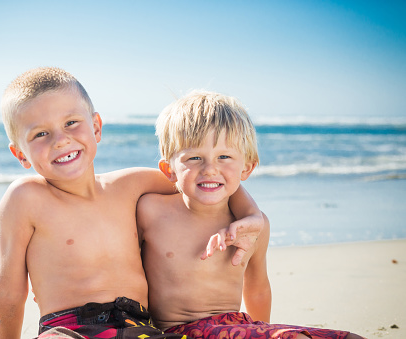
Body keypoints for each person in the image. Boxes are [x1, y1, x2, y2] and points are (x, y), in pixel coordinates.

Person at [0, 67, 265, 339]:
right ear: (20, 154)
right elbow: (9, 291)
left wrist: (252, 216)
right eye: (40, 134)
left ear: (96, 127)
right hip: (70, 329)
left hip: (138, 328)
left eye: (71, 123)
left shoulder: (130, 185)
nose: (61, 140)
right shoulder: (26, 197)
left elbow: (204, 180)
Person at [137, 91, 365, 339]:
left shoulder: (254, 226)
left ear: (247, 167)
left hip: (236, 326)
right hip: (179, 330)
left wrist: (264, 330)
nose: (210, 169)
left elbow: (257, 288)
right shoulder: (150, 211)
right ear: (169, 169)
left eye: (224, 157)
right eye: (194, 157)